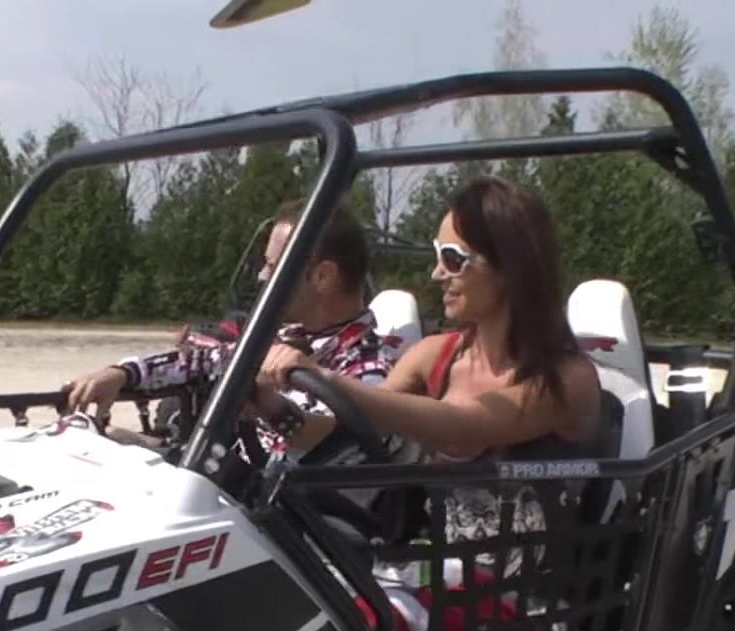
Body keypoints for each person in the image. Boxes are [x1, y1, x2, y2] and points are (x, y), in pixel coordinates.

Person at [258, 175, 604, 533]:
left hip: (527, 567)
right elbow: (351, 435)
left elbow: (463, 426)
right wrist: (271, 408)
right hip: (428, 562)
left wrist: (326, 378)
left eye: (452, 259)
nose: (437, 273)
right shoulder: (433, 357)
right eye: (438, 255)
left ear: (507, 267)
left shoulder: (566, 380)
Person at [60, 198, 400, 461]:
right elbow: (202, 362)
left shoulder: (371, 365)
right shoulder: (285, 338)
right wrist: (123, 374)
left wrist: (270, 405)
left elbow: (339, 440)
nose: (263, 277)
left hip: (285, 519)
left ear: (323, 276)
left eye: (274, 266)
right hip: (229, 492)